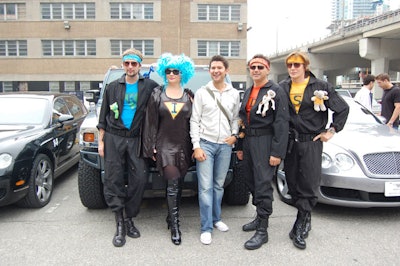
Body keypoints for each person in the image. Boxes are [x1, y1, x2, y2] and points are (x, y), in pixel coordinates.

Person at [279, 51, 349, 250]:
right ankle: (305, 216)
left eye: (297, 65)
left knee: (308, 182)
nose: (293, 68)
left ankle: (301, 223)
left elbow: (342, 109)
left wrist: (331, 130)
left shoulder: (321, 87)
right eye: (290, 65)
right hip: (290, 143)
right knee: (292, 182)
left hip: (311, 142)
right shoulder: (283, 87)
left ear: (305, 66)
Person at [97, 48, 159, 247]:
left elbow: (167, 100)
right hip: (114, 138)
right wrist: (101, 141)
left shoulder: (150, 86)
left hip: (136, 139)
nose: (130, 67)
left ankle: (130, 217)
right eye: (127, 63)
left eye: (134, 63)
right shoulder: (113, 87)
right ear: (123, 65)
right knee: (113, 178)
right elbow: (103, 117)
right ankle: (119, 221)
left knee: (139, 178)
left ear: (140, 65)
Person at [142, 53, 195, 245]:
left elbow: (195, 122)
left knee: (178, 185)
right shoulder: (157, 94)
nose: (172, 74)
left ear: (183, 74)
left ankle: (169, 217)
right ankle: (175, 226)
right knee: (172, 184)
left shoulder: (189, 95)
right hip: (164, 148)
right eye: (168, 71)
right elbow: (149, 123)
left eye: (176, 71)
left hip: (184, 148)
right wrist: (151, 146)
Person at [239, 54, 289, 250]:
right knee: (250, 180)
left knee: (262, 184)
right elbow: (243, 119)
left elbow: (282, 123)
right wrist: (241, 148)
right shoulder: (249, 90)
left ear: (268, 69)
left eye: (260, 67)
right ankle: (259, 216)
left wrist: (277, 152)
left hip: (266, 141)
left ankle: (263, 229)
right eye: (253, 67)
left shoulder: (276, 91)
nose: (256, 70)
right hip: (249, 141)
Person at [190, 55, 240, 245]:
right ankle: (206, 227)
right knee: (205, 187)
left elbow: (235, 118)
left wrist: (234, 135)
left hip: (225, 145)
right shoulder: (202, 92)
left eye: (220, 67)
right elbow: (194, 120)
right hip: (206, 144)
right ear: (210, 71)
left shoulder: (234, 93)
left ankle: (216, 219)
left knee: (219, 185)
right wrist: (196, 146)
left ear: (226, 70)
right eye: (213, 68)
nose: (216, 71)